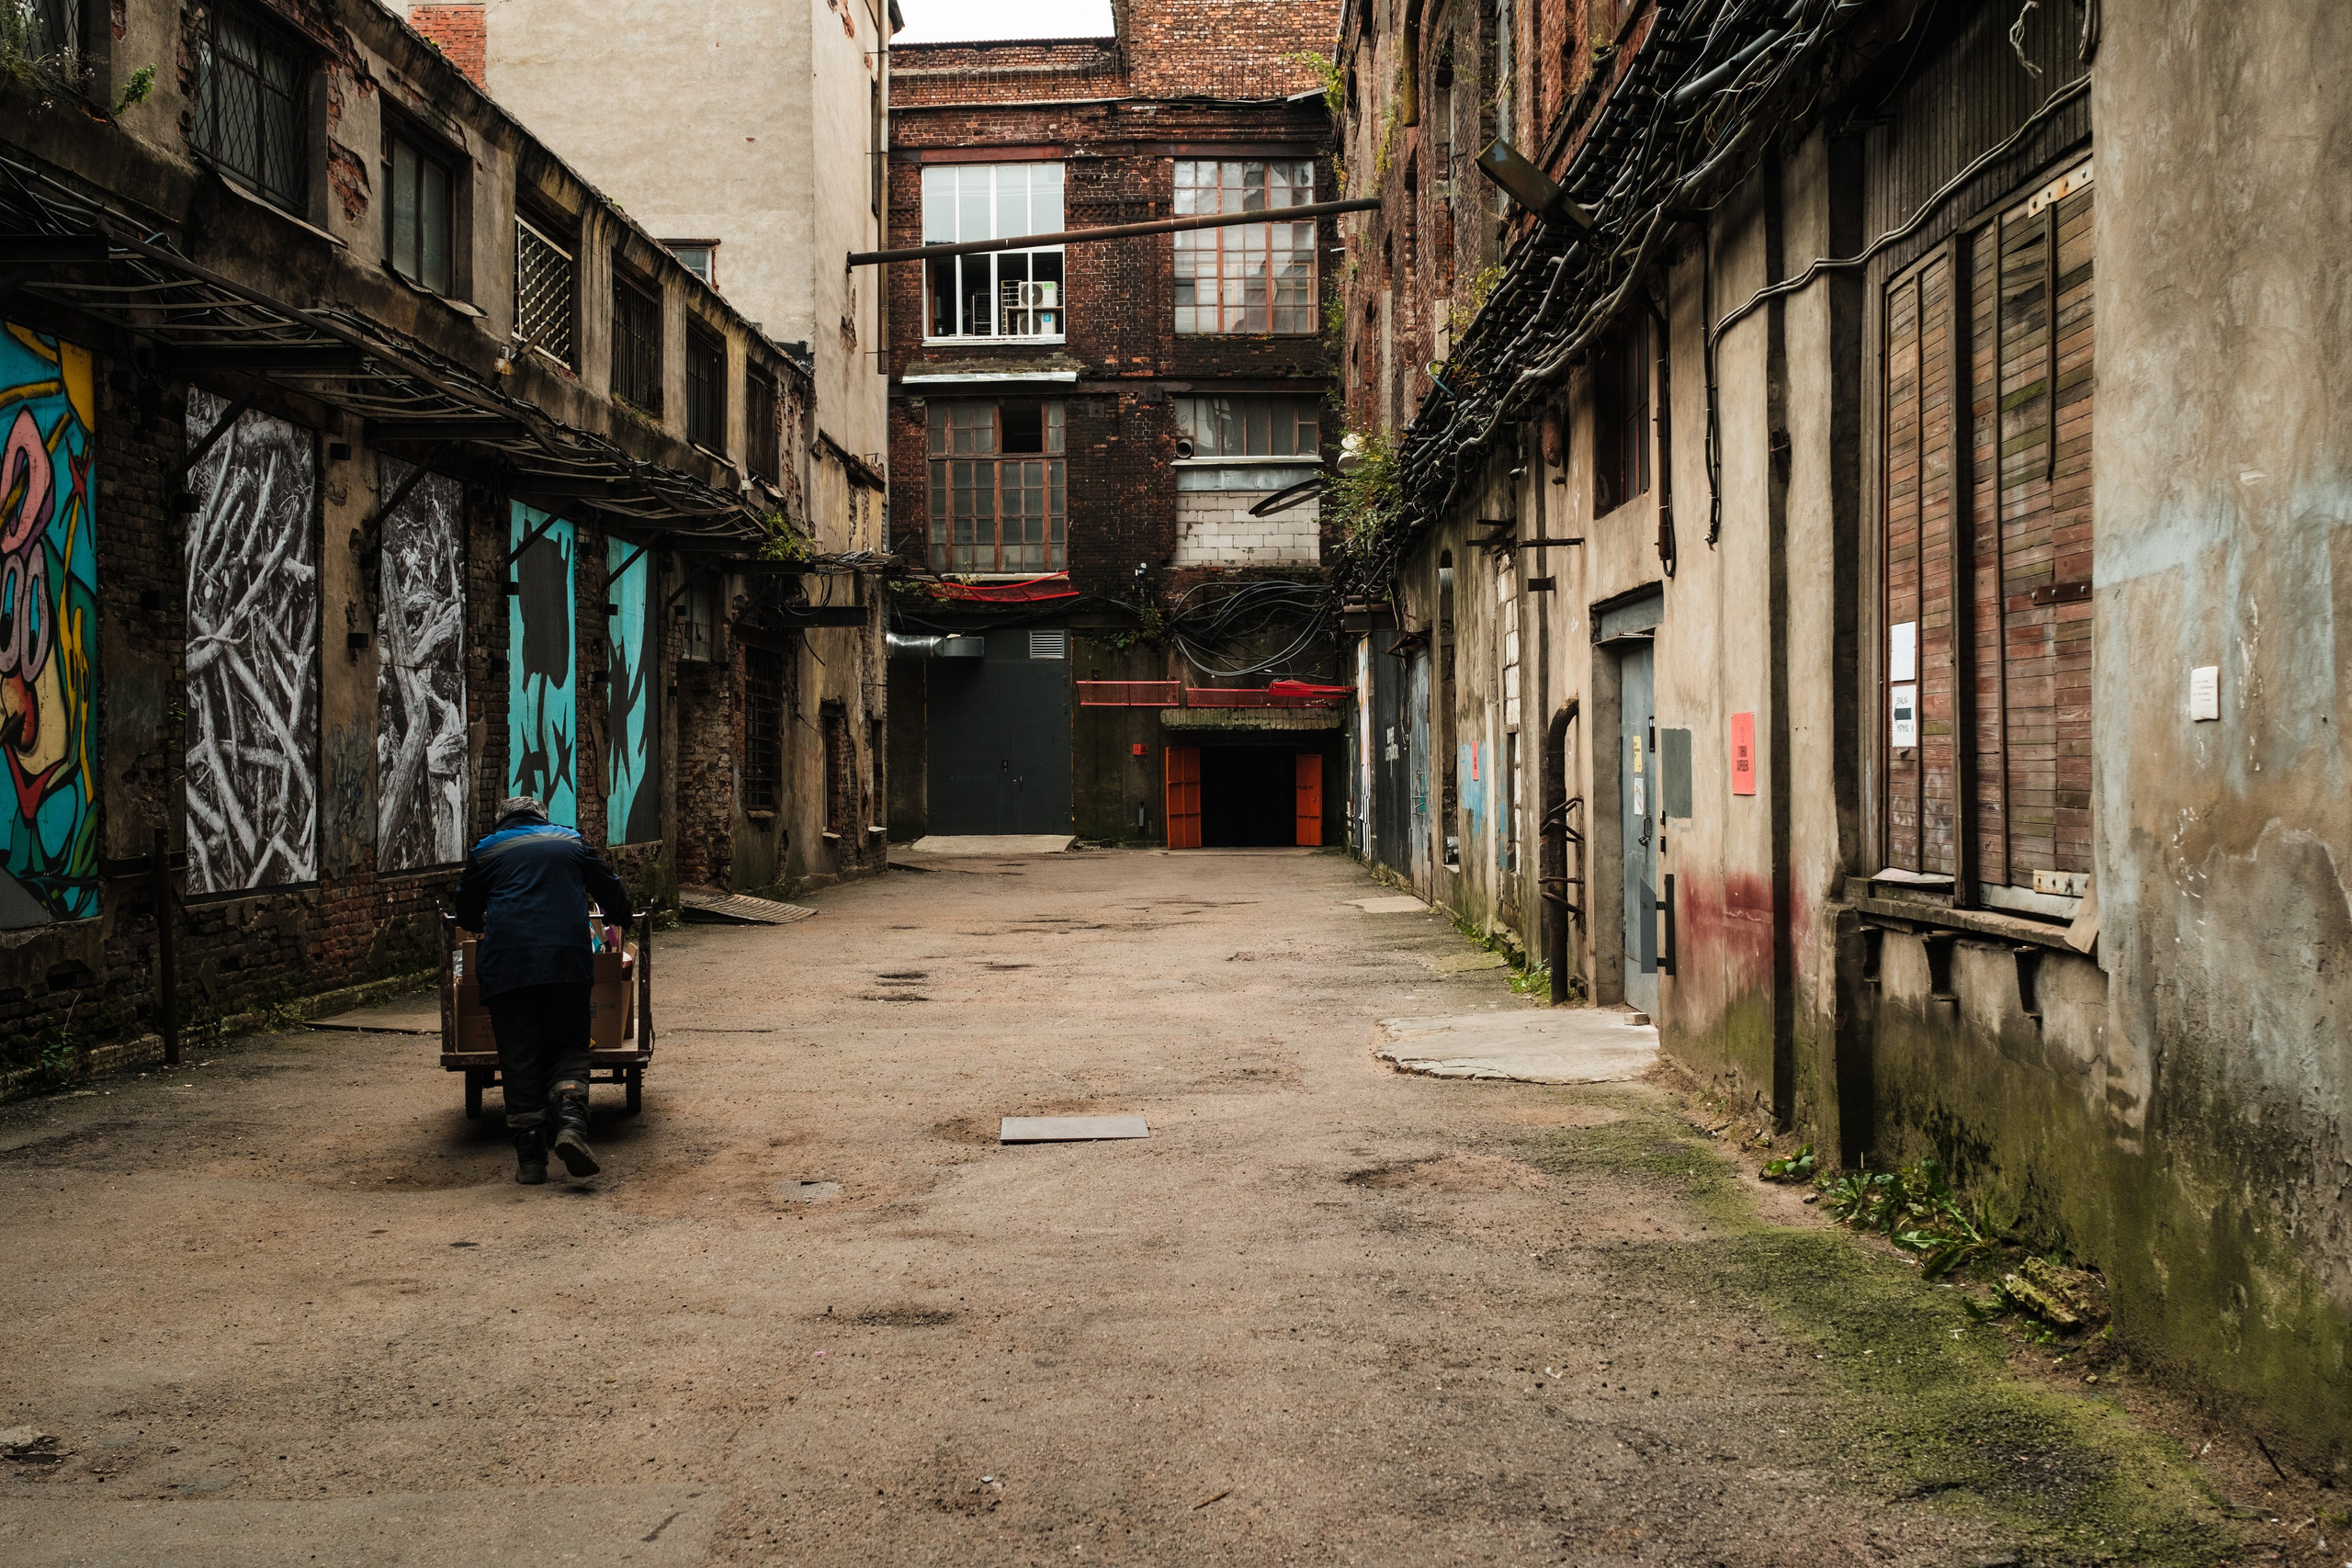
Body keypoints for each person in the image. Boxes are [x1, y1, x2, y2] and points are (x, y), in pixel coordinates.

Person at [452, 795, 634, 1185]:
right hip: (566, 963)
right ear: (542, 819)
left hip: (508, 968)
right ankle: (570, 1123)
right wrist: (620, 916)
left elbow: (466, 911)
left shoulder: (487, 849)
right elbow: (609, 887)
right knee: (568, 1044)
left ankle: (531, 1158)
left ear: (504, 820)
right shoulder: (570, 841)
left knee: (519, 1056)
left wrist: (481, 918)